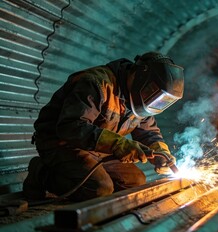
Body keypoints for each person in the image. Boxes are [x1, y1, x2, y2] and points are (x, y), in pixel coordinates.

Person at [23, 52, 184, 201]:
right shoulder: (97, 83)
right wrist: (118, 144)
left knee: (135, 182)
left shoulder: (141, 100)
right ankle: (40, 173)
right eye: (151, 91)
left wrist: (161, 152)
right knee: (99, 189)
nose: (152, 100)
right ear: (139, 75)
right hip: (61, 142)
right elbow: (71, 127)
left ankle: (88, 177)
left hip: (98, 148)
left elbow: (148, 132)